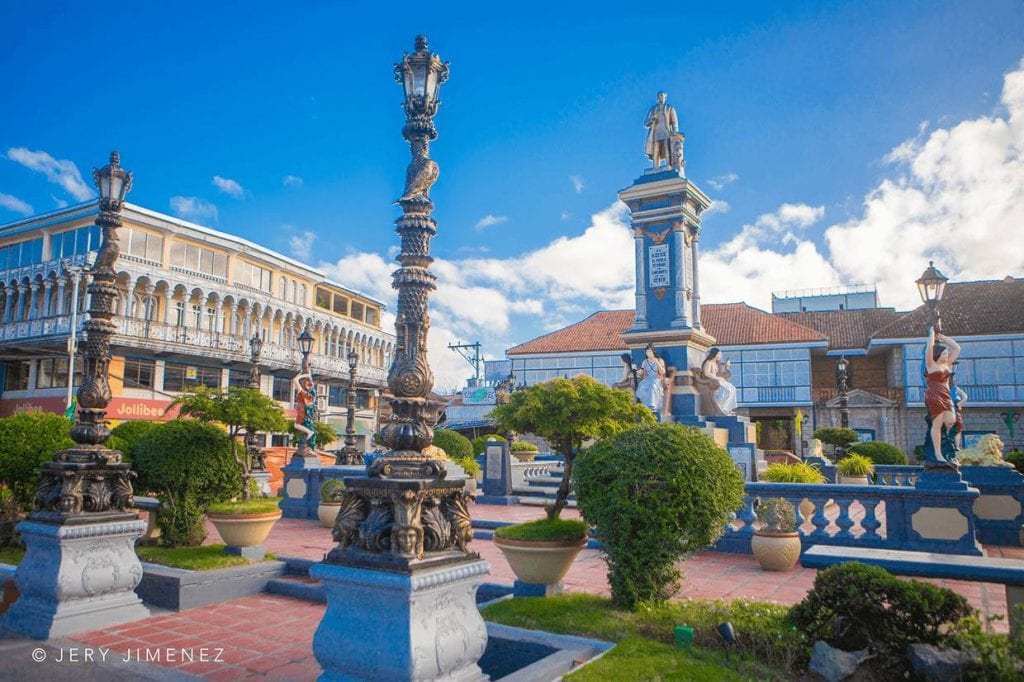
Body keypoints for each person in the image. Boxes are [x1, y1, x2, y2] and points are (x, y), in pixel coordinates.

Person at [923, 327, 962, 466]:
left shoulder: (947, 365)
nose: (946, 356)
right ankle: (938, 453)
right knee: (937, 423)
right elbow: (928, 350)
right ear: (938, 355)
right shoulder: (931, 365)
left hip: (946, 394)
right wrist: (931, 335)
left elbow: (957, 348)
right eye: (944, 354)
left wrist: (942, 337)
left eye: (946, 354)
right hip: (934, 395)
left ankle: (947, 446)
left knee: (951, 420)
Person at [644, 92, 680, 170]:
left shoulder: (669, 108)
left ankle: (668, 165)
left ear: (665, 98)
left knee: (667, 148)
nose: (661, 98)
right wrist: (651, 120)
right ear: (657, 98)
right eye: (659, 96)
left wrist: (675, 133)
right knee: (656, 150)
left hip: (666, 132)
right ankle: (655, 168)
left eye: (662, 96)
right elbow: (646, 123)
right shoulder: (653, 109)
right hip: (655, 133)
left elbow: (674, 122)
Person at [701, 347, 737, 415]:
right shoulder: (708, 362)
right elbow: (706, 373)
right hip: (712, 381)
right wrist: (718, 378)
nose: (720, 356)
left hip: (717, 380)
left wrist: (727, 366)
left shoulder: (715, 363)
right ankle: (723, 408)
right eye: (719, 354)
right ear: (715, 354)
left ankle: (727, 408)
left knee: (732, 388)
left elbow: (722, 371)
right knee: (726, 390)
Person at [635, 343, 666, 419]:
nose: (648, 353)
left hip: (656, 379)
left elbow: (662, 372)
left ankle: (652, 406)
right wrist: (635, 370)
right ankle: (646, 406)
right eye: (647, 352)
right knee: (642, 387)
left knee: (652, 386)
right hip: (647, 379)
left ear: (653, 352)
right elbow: (641, 372)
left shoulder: (660, 360)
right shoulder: (645, 362)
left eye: (649, 351)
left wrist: (657, 363)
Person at [293, 371, 318, 450]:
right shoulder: (310, 396)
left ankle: (309, 432)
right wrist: (304, 374)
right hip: (304, 413)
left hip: (302, 413)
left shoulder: (303, 393)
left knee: (296, 425)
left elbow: (295, 380)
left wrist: (303, 375)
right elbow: (295, 379)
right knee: (297, 425)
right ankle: (309, 433)